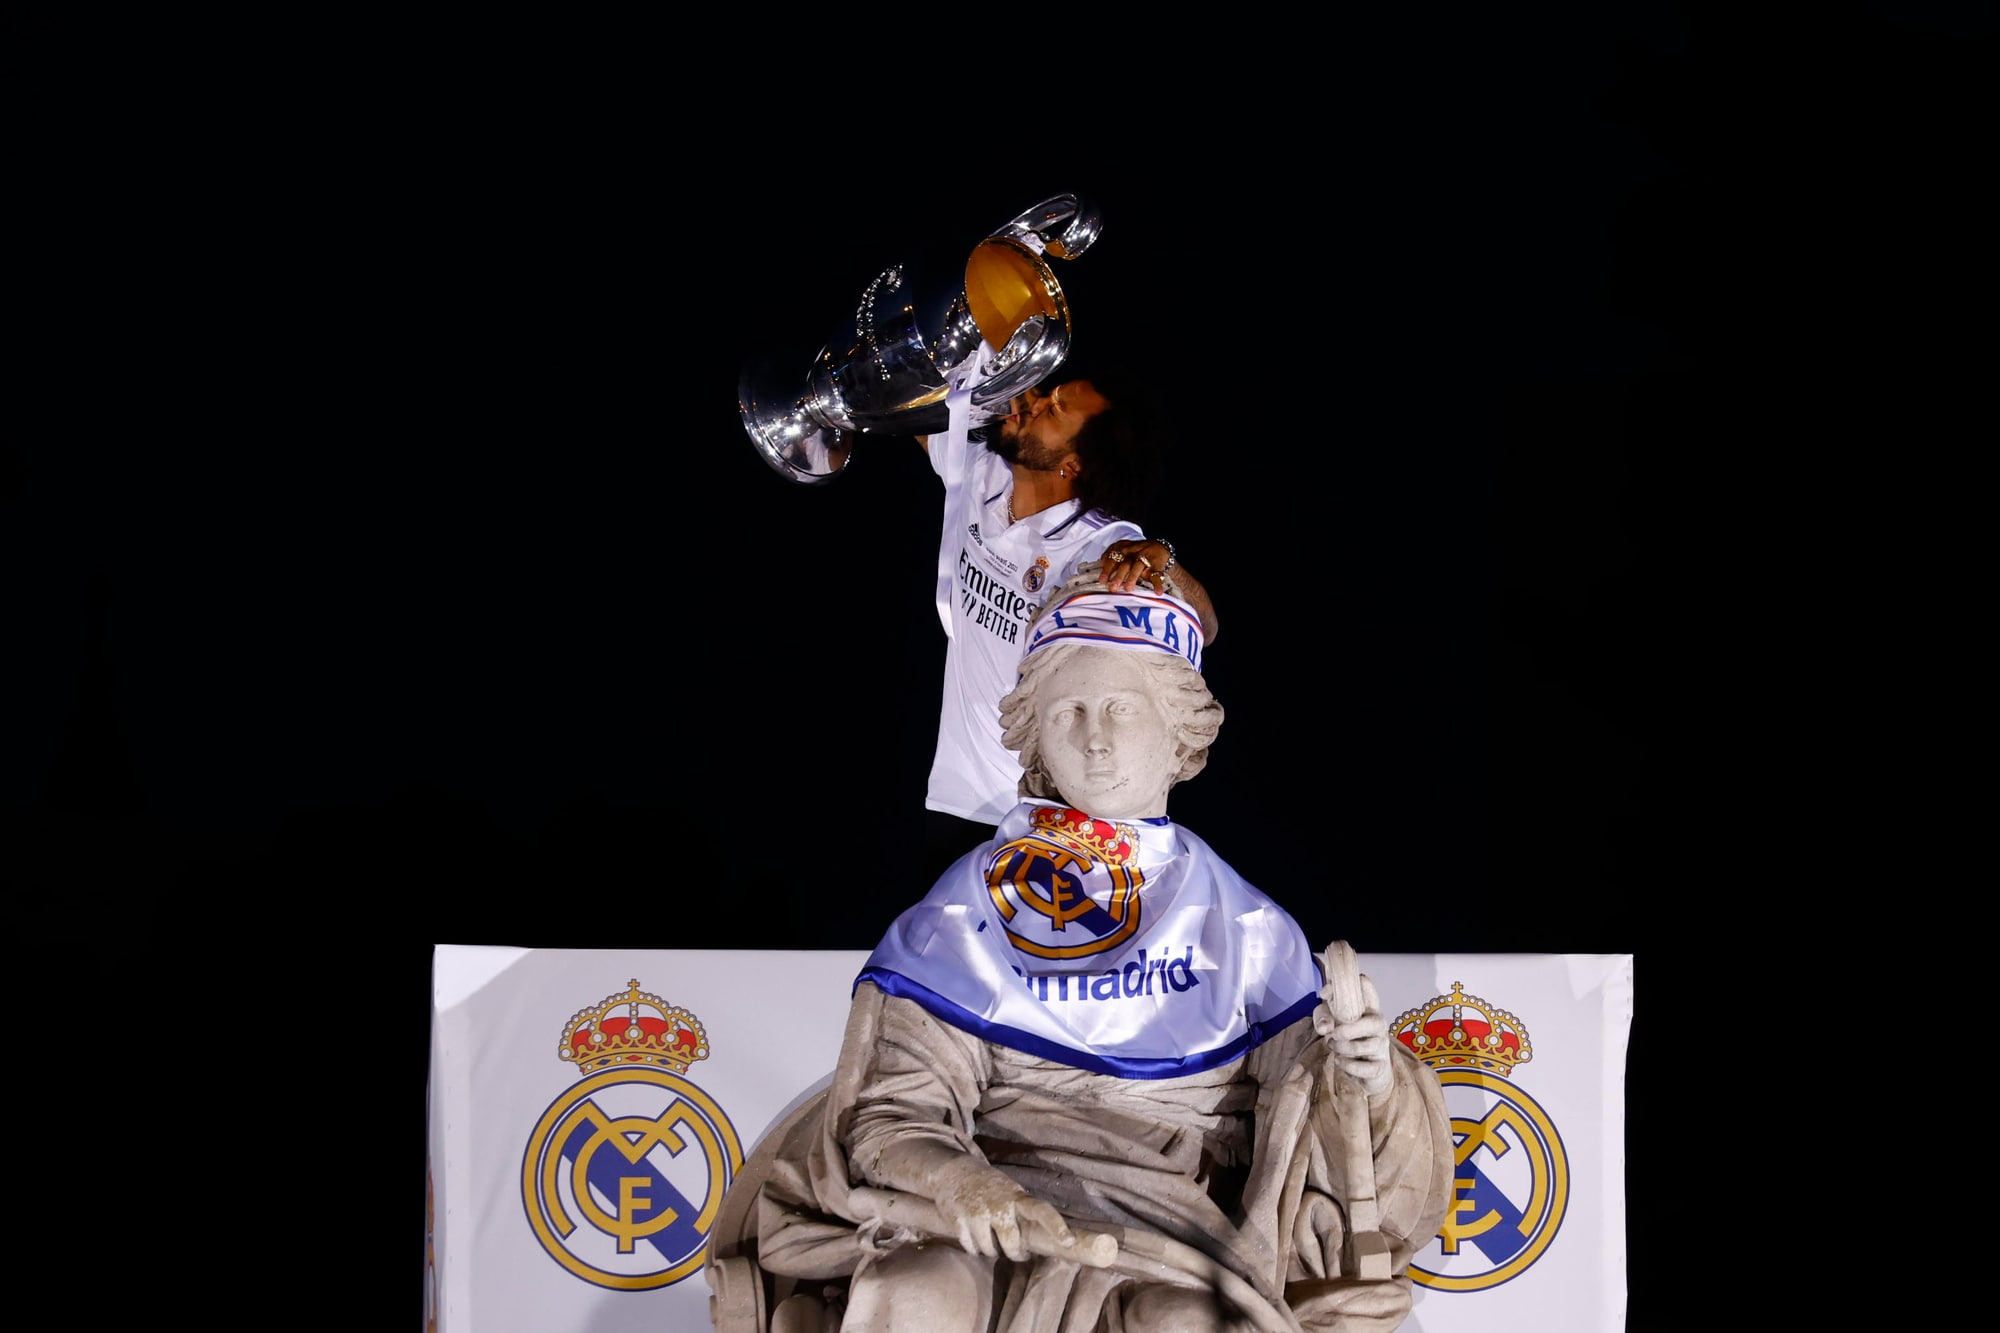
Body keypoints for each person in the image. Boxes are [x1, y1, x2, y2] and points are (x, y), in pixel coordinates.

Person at [713, 571, 1454, 1333]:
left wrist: (1369, 1078)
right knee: (917, 1289)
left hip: (1174, 1238)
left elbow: (1319, 1130)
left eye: (1120, 708)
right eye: (1067, 711)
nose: (1093, 737)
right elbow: (892, 1115)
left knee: (1183, 1324)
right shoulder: (965, 911)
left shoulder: (1246, 929)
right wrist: (962, 1182)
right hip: (983, 1215)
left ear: (1180, 733)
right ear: (1035, 734)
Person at [916, 348, 1220, 849]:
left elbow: (1204, 628)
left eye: (1054, 409)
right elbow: (913, 406)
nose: (1034, 402)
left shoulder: (1103, 546)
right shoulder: (984, 474)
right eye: (1047, 396)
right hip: (959, 795)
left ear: (1073, 463)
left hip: (1050, 813)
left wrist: (1165, 560)